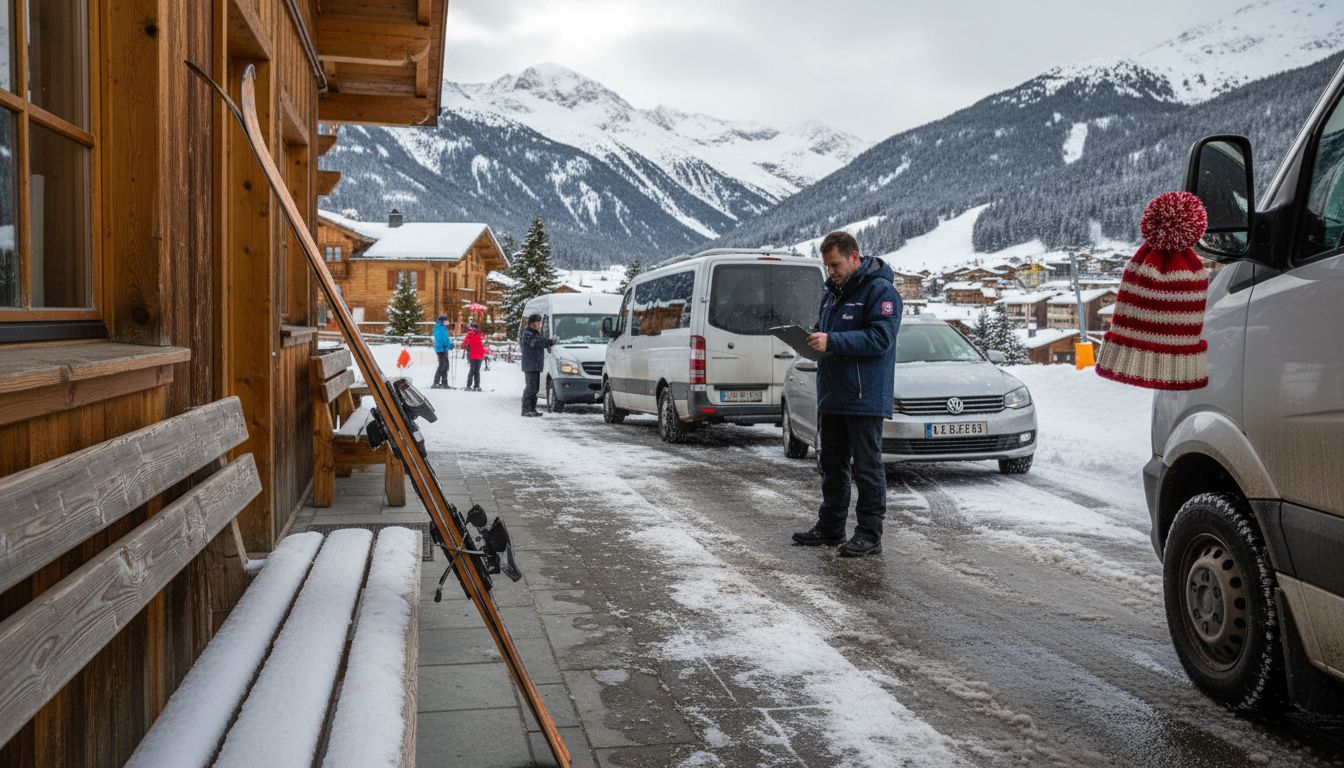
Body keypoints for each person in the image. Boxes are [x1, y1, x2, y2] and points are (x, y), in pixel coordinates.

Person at [792, 231, 901, 557]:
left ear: (855, 257)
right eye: (827, 266)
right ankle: (831, 527)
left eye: (835, 264)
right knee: (831, 463)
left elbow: (881, 338)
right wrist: (813, 340)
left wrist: (833, 342)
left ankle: (870, 534)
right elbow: (828, 335)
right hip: (832, 393)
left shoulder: (881, 291)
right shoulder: (832, 294)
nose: (831, 272)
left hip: (864, 396)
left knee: (867, 468)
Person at [519, 313, 554, 417]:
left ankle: (532, 409)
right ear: (532, 323)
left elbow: (539, 341)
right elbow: (536, 342)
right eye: (537, 322)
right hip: (530, 365)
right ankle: (525, 410)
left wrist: (547, 344)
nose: (539, 324)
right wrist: (549, 342)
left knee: (535, 389)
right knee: (530, 388)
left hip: (536, 365)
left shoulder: (535, 333)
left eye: (539, 322)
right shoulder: (527, 333)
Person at [431, 315, 453, 388]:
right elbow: (439, 339)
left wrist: (449, 345)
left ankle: (444, 383)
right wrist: (445, 346)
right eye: (445, 321)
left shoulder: (443, 327)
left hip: (444, 349)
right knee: (442, 366)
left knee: (445, 366)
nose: (447, 322)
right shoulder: (438, 327)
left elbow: (446, 339)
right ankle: (436, 382)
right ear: (442, 321)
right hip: (441, 350)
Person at [464, 322, 486, 391]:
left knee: (477, 371)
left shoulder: (479, 335)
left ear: (476, 328)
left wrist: (485, 352)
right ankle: (468, 385)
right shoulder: (469, 335)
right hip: (473, 356)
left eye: (474, 328)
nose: (472, 329)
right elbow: (465, 343)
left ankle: (477, 385)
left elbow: (481, 345)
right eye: (471, 328)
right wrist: (466, 344)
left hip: (479, 356)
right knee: (472, 371)